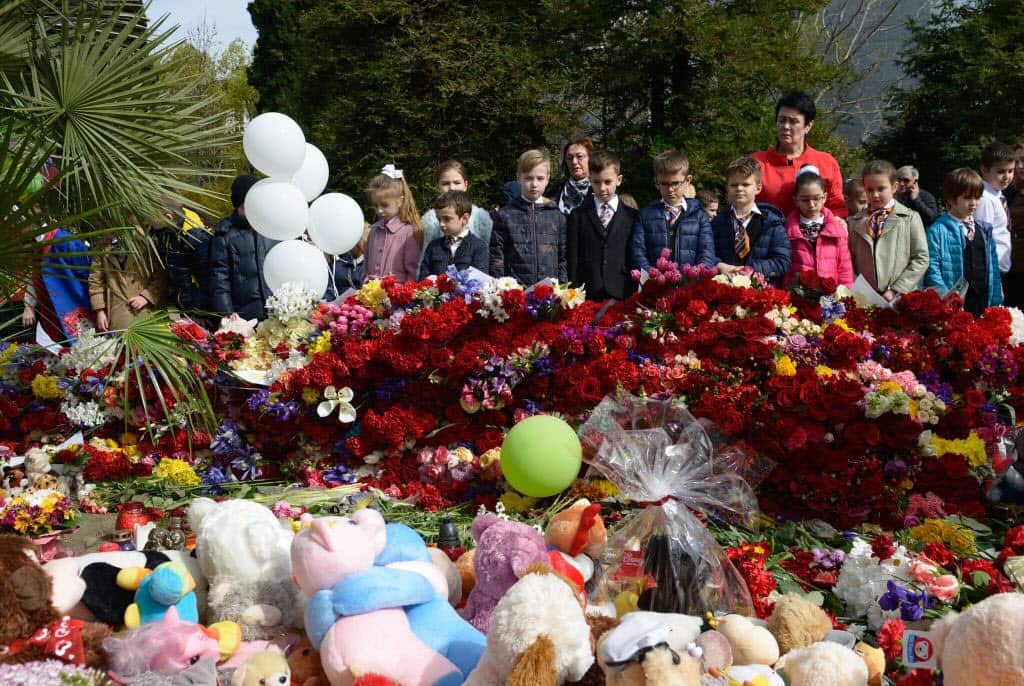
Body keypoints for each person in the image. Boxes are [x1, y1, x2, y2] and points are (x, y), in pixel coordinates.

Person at [751, 92, 846, 219]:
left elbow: (837, 207)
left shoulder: (826, 163)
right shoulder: (756, 162)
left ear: (808, 126)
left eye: (793, 121)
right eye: (782, 120)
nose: (786, 126)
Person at [923, 168, 1002, 316]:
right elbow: (932, 267)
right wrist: (945, 299)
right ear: (951, 199)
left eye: (977, 197)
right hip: (954, 304)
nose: (973, 203)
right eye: (967, 198)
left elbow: (994, 267)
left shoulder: (984, 230)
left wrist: (996, 296)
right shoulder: (938, 230)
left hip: (982, 300)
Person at [848, 160, 929, 302]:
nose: (875, 195)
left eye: (881, 189)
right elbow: (848, 260)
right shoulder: (854, 222)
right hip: (865, 298)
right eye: (870, 190)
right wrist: (860, 290)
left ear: (894, 187)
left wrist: (897, 289)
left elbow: (921, 258)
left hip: (899, 298)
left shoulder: (910, 218)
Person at [566, 150, 638, 301]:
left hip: (623, 291)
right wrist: (574, 293)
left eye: (608, 182)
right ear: (590, 180)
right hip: (587, 293)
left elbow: (635, 257)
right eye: (596, 182)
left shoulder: (633, 217)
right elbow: (573, 259)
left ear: (619, 180)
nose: (602, 188)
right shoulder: (578, 216)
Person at [489, 149, 567, 284]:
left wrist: (562, 287)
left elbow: (562, 258)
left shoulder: (556, 216)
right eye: (528, 178)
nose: (534, 184)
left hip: (549, 291)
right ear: (518, 177)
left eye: (540, 178)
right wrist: (499, 288)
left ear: (547, 178)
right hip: (515, 291)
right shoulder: (505, 215)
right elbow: (497, 257)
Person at [630, 150, 715, 272]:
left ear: (688, 180)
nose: (670, 189)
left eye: (675, 183)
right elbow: (638, 253)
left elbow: (706, 254)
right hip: (655, 281)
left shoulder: (700, 216)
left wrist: (691, 278)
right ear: (656, 182)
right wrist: (653, 276)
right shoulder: (644, 216)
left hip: (690, 282)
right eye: (664, 183)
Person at [711, 156, 790, 284]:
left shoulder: (772, 223)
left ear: (758, 188)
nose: (739, 188)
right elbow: (706, 254)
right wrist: (720, 266)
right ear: (727, 188)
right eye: (734, 185)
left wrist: (751, 270)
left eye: (745, 184)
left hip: (760, 290)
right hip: (724, 289)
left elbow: (782, 261)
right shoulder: (716, 223)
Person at [209, 174, 278, 321]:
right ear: (237, 206)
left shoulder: (273, 228)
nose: (250, 211)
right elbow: (220, 280)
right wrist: (227, 315)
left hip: (279, 312)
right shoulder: (225, 235)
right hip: (245, 317)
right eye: (245, 207)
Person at [89, 217, 167, 331]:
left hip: (147, 311)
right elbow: (95, 282)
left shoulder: (145, 244)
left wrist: (146, 296)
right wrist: (100, 311)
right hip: (118, 311)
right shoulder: (101, 250)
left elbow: (161, 276)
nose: (105, 232)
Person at [22, 219, 92, 345]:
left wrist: (99, 308)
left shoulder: (65, 240)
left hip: (76, 311)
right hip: (51, 316)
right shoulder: (34, 245)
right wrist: (29, 305)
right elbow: (34, 276)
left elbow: (87, 275)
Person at [782, 166, 853, 288]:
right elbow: (785, 270)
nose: (811, 205)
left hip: (830, 295)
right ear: (796, 200)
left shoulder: (837, 230)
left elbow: (844, 269)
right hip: (798, 294)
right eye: (805, 200)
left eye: (816, 198)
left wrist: (845, 293)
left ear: (824, 197)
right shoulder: (787, 231)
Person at [418, 160, 493, 269]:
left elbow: (489, 254)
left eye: (457, 183)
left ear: (465, 185)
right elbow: (424, 257)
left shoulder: (482, 218)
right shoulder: (429, 220)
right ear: (438, 186)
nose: (451, 188)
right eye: (445, 183)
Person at [363, 165, 422, 284]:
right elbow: (366, 264)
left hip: (397, 292)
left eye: (385, 205)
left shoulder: (409, 231)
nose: (379, 211)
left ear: (400, 201)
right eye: (376, 206)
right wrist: (365, 281)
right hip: (371, 291)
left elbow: (412, 271)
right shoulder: (374, 230)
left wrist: (407, 292)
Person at [149, 202, 213, 312]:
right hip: (180, 298)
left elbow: (207, 280)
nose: (148, 221)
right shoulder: (165, 226)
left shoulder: (196, 237)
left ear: (168, 217)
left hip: (196, 305)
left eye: (150, 217)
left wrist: (199, 312)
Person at [419, 190, 489, 279]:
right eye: (439, 219)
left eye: (447, 219)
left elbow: (480, 281)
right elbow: (423, 278)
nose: (441, 224)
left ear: (464, 218)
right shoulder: (433, 246)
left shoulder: (479, 247)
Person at [973, 141, 1015, 276]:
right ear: (984, 169)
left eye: (1010, 171)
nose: (1007, 177)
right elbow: (982, 240)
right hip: (991, 270)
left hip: (1000, 268)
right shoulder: (985, 199)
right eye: (1000, 171)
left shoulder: (997, 195)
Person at [550, 138, 596, 215]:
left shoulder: (599, 189)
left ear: (590, 158)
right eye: (569, 158)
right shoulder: (554, 190)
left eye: (579, 156)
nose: (574, 162)